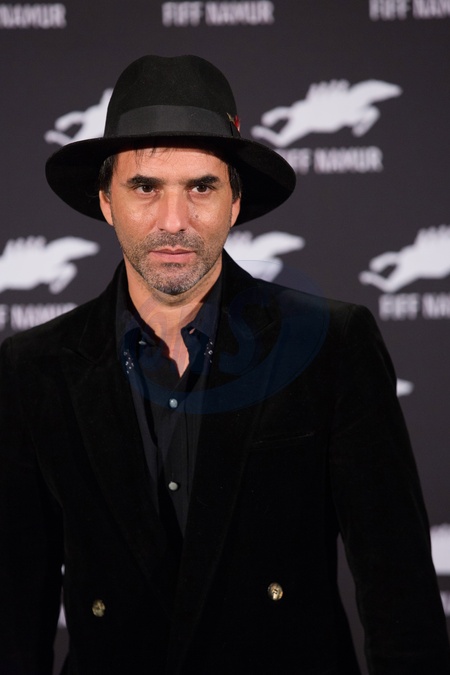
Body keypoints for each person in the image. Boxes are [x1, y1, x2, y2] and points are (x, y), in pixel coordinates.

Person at [0, 55, 449, 675]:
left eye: (201, 187)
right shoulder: (33, 368)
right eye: (146, 187)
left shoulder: (330, 344)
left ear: (236, 201)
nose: (174, 221)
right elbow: (13, 613)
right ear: (105, 200)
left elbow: (400, 595)